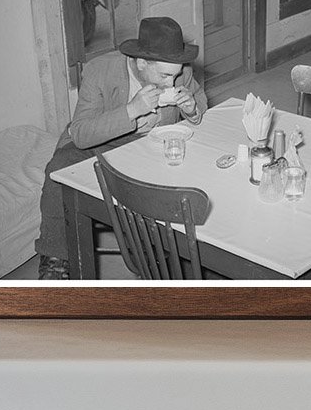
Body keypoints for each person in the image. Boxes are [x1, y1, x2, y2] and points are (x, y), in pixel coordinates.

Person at [35, 16, 207, 279]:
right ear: (141, 63)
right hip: (100, 144)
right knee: (58, 169)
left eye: (175, 76)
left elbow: (201, 103)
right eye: (164, 76)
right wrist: (131, 110)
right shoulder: (99, 71)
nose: (172, 84)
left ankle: (152, 254)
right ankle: (57, 261)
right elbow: (81, 132)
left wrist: (192, 108)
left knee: (174, 184)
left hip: (150, 148)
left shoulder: (179, 71)